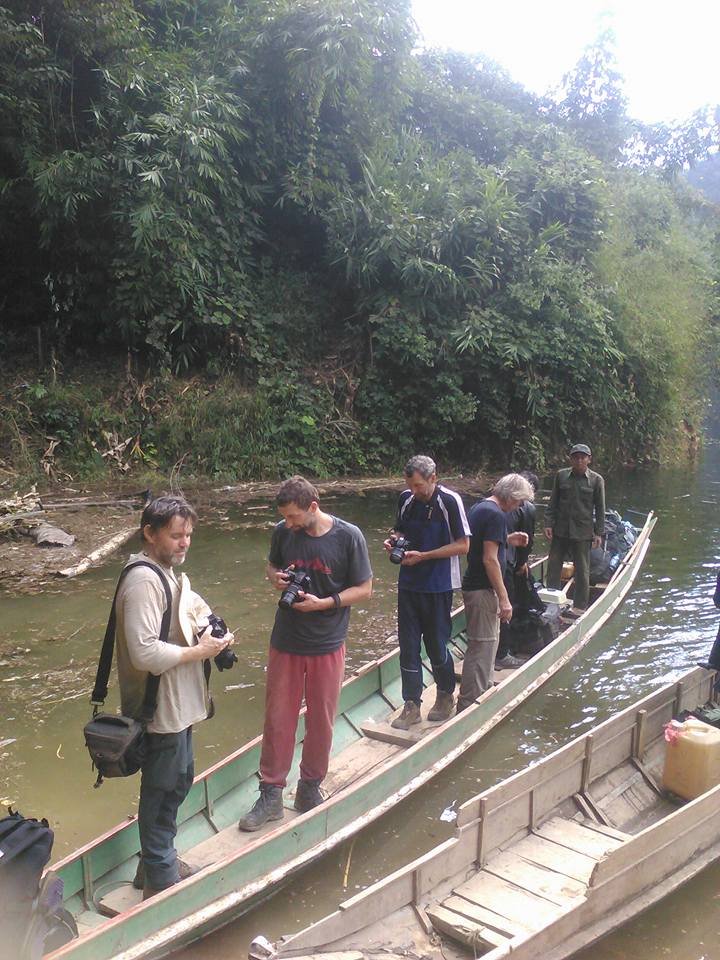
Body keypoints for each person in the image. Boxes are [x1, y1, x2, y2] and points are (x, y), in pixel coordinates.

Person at [238, 476, 373, 832]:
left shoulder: (348, 536)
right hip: (287, 639)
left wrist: (325, 603)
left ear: (313, 507)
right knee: (278, 718)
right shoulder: (283, 532)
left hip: (328, 640)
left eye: (295, 517)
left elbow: (365, 589)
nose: (289, 524)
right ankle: (271, 794)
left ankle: (309, 787)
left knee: (321, 720)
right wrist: (275, 579)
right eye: (285, 517)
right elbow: (271, 566)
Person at [116, 495, 234, 900]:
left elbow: (188, 615)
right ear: (150, 534)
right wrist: (199, 653)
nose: (184, 543)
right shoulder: (144, 580)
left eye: (188, 535)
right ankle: (161, 879)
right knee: (163, 787)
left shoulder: (167, 574)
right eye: (175, 535)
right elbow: (144, 653)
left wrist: (213, 635)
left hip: (179, 706)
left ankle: (152, 863)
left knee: (180, 780)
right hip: (159, 708)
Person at [384, 456, 470, 730]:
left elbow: (463, 545)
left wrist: (425, 556)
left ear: (434, 478)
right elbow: (399, 529)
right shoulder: (407, 500)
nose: (415, 491)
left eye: (420, 485)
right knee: (408, 647)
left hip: (438, 584)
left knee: (436, 644)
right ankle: (411, 705)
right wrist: (395, 540)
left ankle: (445, 694)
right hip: (409, 583)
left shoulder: (449, 501)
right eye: (410, 485)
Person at [457, 474, 535, 711]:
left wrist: (508, 539)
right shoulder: (496, 515)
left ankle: (474, 697)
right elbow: (490, 559)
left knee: (481, 646)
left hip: (474, 585)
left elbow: (482, 543)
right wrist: (504, 599)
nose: (519, 507)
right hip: (482, 589)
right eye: (520, 502)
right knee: (484, 647)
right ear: (511, 497)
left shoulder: (481, 507)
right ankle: (471, 706)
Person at [544, 444, 605, 618]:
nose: (579, 460)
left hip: (583, 531)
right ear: (571, 459)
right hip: (561, 529)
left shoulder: (596, 480)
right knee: (554, 565)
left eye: (583, 457)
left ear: (589, 459)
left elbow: (600, 508)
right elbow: (553, 502)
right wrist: (548, 523)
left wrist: (598, 533)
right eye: (576, 457)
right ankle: (551, 602)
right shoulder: (561, 476)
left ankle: (579, 607)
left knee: (582, 569)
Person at [496, 471, 540, 669]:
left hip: (496, 561)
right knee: (508, 606)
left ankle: (499, 649)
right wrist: (523, 563)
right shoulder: (527, 508)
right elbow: (526, 540)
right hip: (509, 563)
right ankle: (503, 653)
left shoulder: (493, 506)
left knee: (497, 607)